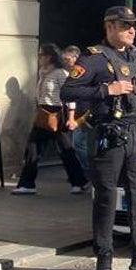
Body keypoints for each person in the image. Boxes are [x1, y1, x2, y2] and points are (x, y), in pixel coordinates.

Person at [61, 6, 136, 270]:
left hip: (135, 129)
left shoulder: (133, 56)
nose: (132, 30)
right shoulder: (94, 58)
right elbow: (68, 91)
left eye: (134, 25)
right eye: (125, 25)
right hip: (109, 133)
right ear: (109, 27)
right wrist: (105, 90)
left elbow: (134, 87)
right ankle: (104, 257)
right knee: (107, 195)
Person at [13, 43, 89, 195]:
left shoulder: (61, 73)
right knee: (34, 148)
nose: (39, 58)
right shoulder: (42, 72)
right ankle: (28, 184)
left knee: (65, 150)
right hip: (43, 113)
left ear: (49, 57)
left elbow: (69, 96)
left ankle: (78, 181)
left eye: (41, 55)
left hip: (57, 114)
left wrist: (71, 118)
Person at [60, 45, 90, 177]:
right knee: (78, 144)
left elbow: (73, 96)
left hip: (85, 113)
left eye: (67, 59)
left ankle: (88, 171)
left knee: (79, 144)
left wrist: (72, 118)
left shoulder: (81, 73)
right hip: (78, 113)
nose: (65, 62)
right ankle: (84, 172)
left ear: (75, 58)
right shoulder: (68, 73)